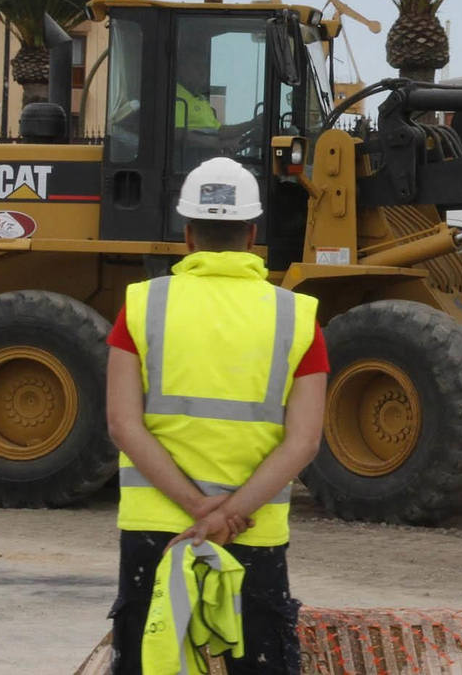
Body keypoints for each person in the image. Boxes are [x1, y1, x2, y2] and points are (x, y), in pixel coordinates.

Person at [106, 157, 329, 674]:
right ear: (252, 234)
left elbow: (123, 423)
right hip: (253, 529)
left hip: (157, 528)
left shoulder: (140, 306)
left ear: (188, 234)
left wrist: (197, 511)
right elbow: (303, 442)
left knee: (147, 661)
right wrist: (228, 516)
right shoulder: (297, 317)